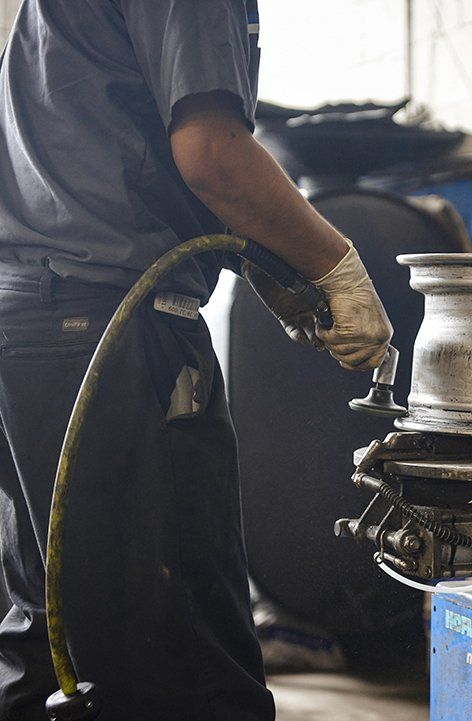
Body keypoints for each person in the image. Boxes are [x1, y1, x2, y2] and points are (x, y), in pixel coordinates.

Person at [0, 1, 393, 719]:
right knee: (184, 661)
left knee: (50, 639)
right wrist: (336, 264)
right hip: (113, 333)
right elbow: (212, 155)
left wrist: (272, 269)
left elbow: (123, 144)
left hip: (29, 324)